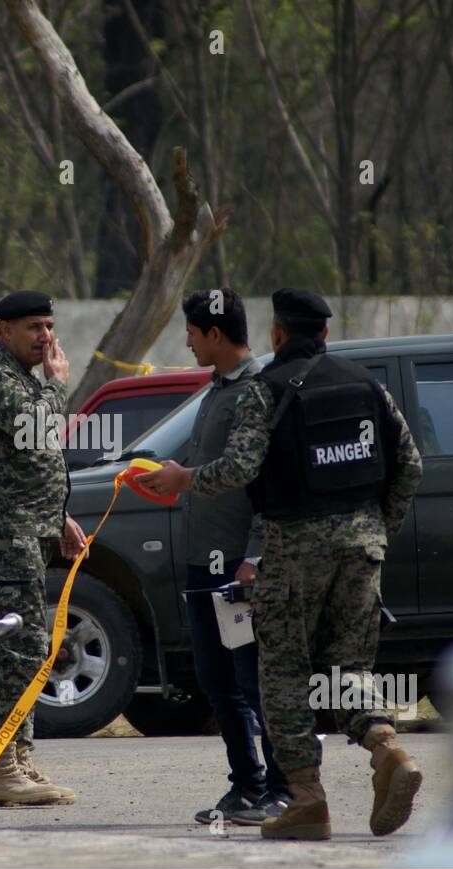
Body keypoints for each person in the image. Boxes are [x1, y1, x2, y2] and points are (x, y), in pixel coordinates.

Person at [138, 288, 424, 841]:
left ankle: (307, 802)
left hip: (292, 551)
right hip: (363, 552)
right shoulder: (367, 385)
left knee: (284, 676)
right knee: (348, 672)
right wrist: (376, 528)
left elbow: (239, 468)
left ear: (276, 335)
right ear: (325, 335)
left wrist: (185, 479)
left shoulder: (266, 391)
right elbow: (410, 465)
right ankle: (387, 747)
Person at [0, 290, 85, 806]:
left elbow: (29, 461)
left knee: (32, 648)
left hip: (30, 528)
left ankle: (19, 760)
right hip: (3, 534)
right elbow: (33, 429)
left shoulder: (23, 379)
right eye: (33, 326)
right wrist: (58, 388)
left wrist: (60, 518)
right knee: (18, 648)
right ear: (1, 330)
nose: (45, 337)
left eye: (49, 326)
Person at [178, 289, 290, 826]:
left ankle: (283, 789)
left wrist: (254, 557)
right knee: (218, 681)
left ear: (215, 335)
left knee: (253, 680)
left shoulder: (259, 392)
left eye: (193, 333)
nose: (187, 341)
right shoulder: (216, 391)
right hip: (204, 564)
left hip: (238, 568)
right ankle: (246, 786)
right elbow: (205, 468)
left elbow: (269, 486)